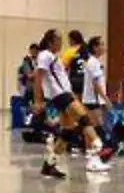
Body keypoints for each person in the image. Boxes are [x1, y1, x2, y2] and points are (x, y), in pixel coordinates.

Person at [32, 29, 110, 178]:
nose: (61, 43)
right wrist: (38, 100)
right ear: (51, 41)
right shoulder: (45, 55)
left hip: (65, 93)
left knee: (67, 132)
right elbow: (38, 78)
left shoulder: (53, 56)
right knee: (84, 119)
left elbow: (62, 78)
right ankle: (99, 148)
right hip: (60, 95)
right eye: (59, 40)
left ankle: (49, 165)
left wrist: (72, 95)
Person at [81, 36, 109, 131]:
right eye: (102, 44)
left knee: (94, 127)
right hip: (92, 100)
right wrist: (106, 99)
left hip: (94, 100)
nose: (104, 47)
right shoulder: (93, 62)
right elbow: (95, 83)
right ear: (95, 47)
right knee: (97, 128)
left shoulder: (96, 62)